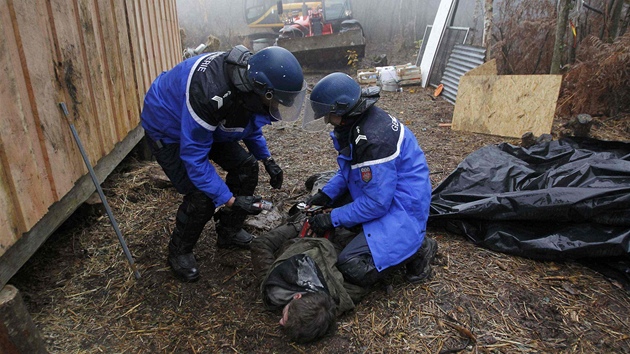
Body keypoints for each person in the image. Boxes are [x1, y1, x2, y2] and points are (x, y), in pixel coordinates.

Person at [140, 45, 306, 282]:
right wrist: (230, 200)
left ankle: (228, 231)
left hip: (206, 124)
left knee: (246, 168)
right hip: (169, 127)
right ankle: (179, 252)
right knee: (201, 196)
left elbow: (247, 124)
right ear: (264, 92)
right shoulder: (210, 94)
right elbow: (194, 158)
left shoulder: (248, 85)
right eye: (277, 102)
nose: (278, 108)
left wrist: (266, 158)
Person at [301, 72, 438, 287]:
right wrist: (326, 194)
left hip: (403, 206)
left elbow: (376, 204)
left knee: (352, 266)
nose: (326, 120)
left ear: (343, 109)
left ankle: (418, 250)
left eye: (329, 114)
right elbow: (350, 168)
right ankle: (402, 244)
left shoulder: (373, 140)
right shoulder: (357, 124)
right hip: (386, 191)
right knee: (340, 210)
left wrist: (332, 218)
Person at [251, 213, 368, 343]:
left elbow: (260, 244)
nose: (280, 321)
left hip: (311, 234)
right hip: (321, 231)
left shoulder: (275, 287)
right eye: (283, 318)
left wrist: (267, 278)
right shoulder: (343, 292)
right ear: (297, 296)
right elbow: (260, 244)